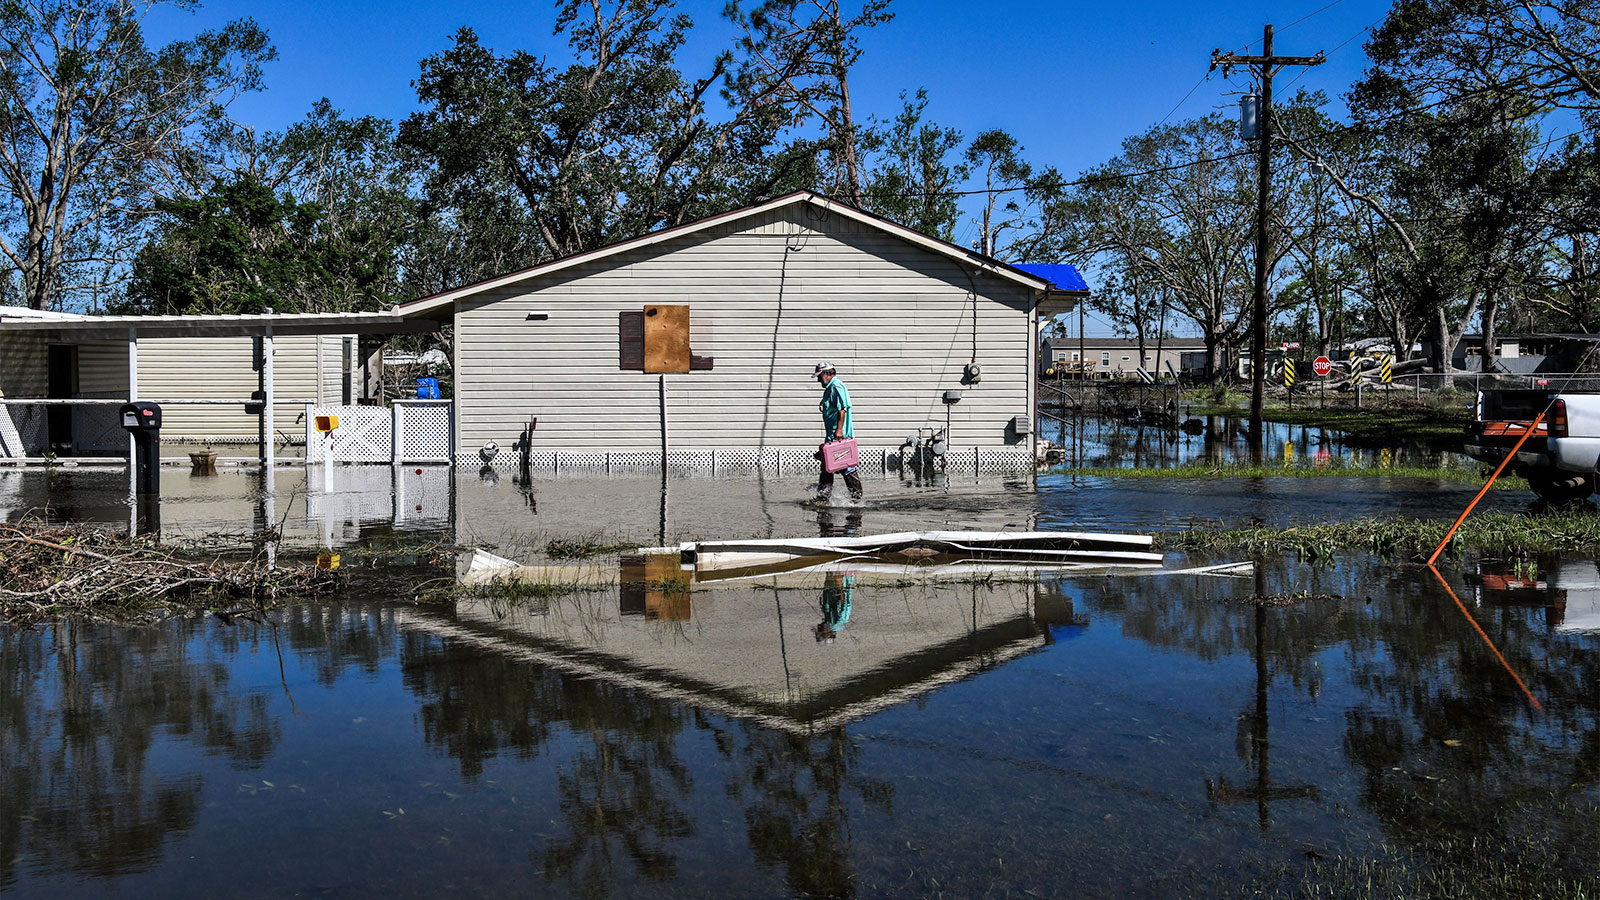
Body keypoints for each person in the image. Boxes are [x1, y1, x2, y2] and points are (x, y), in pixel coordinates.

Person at [813, 361, 863, 501]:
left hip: (840, 436)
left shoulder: (837, 386)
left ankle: (856, 499)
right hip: (832, 435)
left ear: (827, 374)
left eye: (819, 376)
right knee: (827, 467)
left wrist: (839, 431)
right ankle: (823, 498)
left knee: (846, 467)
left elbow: (842, 409)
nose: (818, 380)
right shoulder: (830, 388)